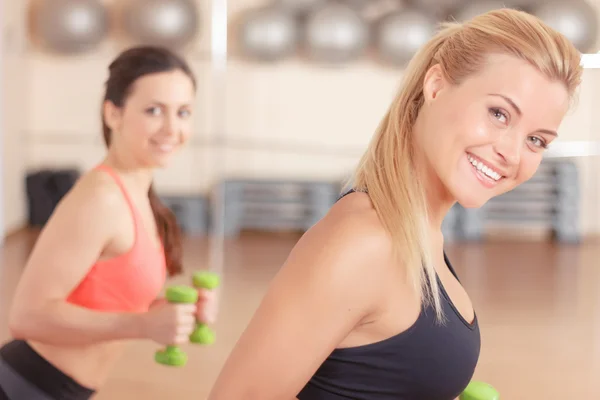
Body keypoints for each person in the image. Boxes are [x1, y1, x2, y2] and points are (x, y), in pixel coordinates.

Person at [207, 8, 582, 400]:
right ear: (436, 85)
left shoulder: (420, 233)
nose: (511, 151)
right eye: (499, 113)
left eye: (536, 140)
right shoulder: (364, 241)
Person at [0, 46, 217, 400]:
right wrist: (143, 326)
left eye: (183, 112)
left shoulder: (141, 196)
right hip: (24, 386)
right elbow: (27, 317)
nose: (171, 128)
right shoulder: (101, 197)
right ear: (113, 114)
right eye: (153, 110)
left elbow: (112, 299)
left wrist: (179, 313)